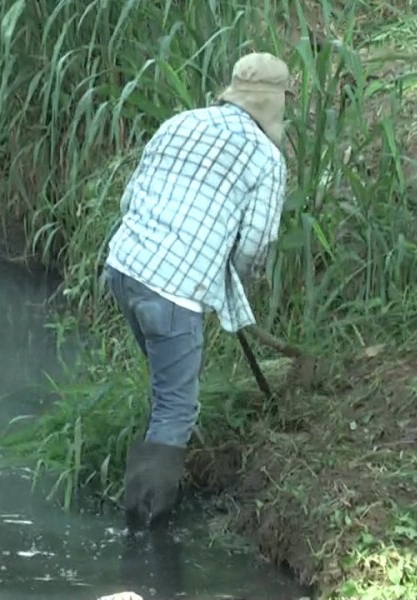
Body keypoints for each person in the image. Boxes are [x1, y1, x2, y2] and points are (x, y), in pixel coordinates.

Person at [103, 51, 290, 530]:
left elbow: (131, 197)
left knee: (167, 392)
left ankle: (147, 491)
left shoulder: (181, 122)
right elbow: (255, 243)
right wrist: (242, 280)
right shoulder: (267, 158)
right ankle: (145, 531)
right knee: (176, 407)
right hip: (173, 294)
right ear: (275, 103)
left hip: (123, 268)